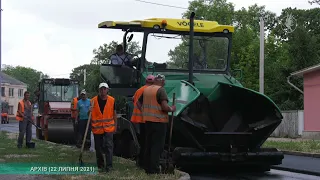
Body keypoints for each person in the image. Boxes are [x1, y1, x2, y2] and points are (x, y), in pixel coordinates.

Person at [137, 74, 176, 174]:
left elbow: (138, 102)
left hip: (148, 121)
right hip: (159, 122)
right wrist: (172, 109)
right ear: (162, 81)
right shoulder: (161, 90)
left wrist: (144, 111)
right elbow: (164, 107)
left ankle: (147, 168)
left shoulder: (147, 90)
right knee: (157, 146)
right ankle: (154, 170)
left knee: (148, 145)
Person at [90, 82, 117, 172]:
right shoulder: (93, 101)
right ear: (99, 90)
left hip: (109, 128)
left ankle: (109, 166)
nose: (103, 90)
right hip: (97, 128)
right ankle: (100, 165)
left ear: (107, 90)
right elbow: (90, 114)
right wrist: (89, 111)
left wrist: (115, 126)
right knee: (98, 147)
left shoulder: (112, 100)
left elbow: (114, 114)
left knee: (109, 146)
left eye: (104, 89)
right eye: (101, 89)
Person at [130, 74, 155, 169]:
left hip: (138, 120)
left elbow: (133, 100)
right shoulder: (151, 91)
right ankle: (144, 163)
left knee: (142, 141)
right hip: (147, 120)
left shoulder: (139, 90)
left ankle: (140, 161)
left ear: (146, 81)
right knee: (147, 142)